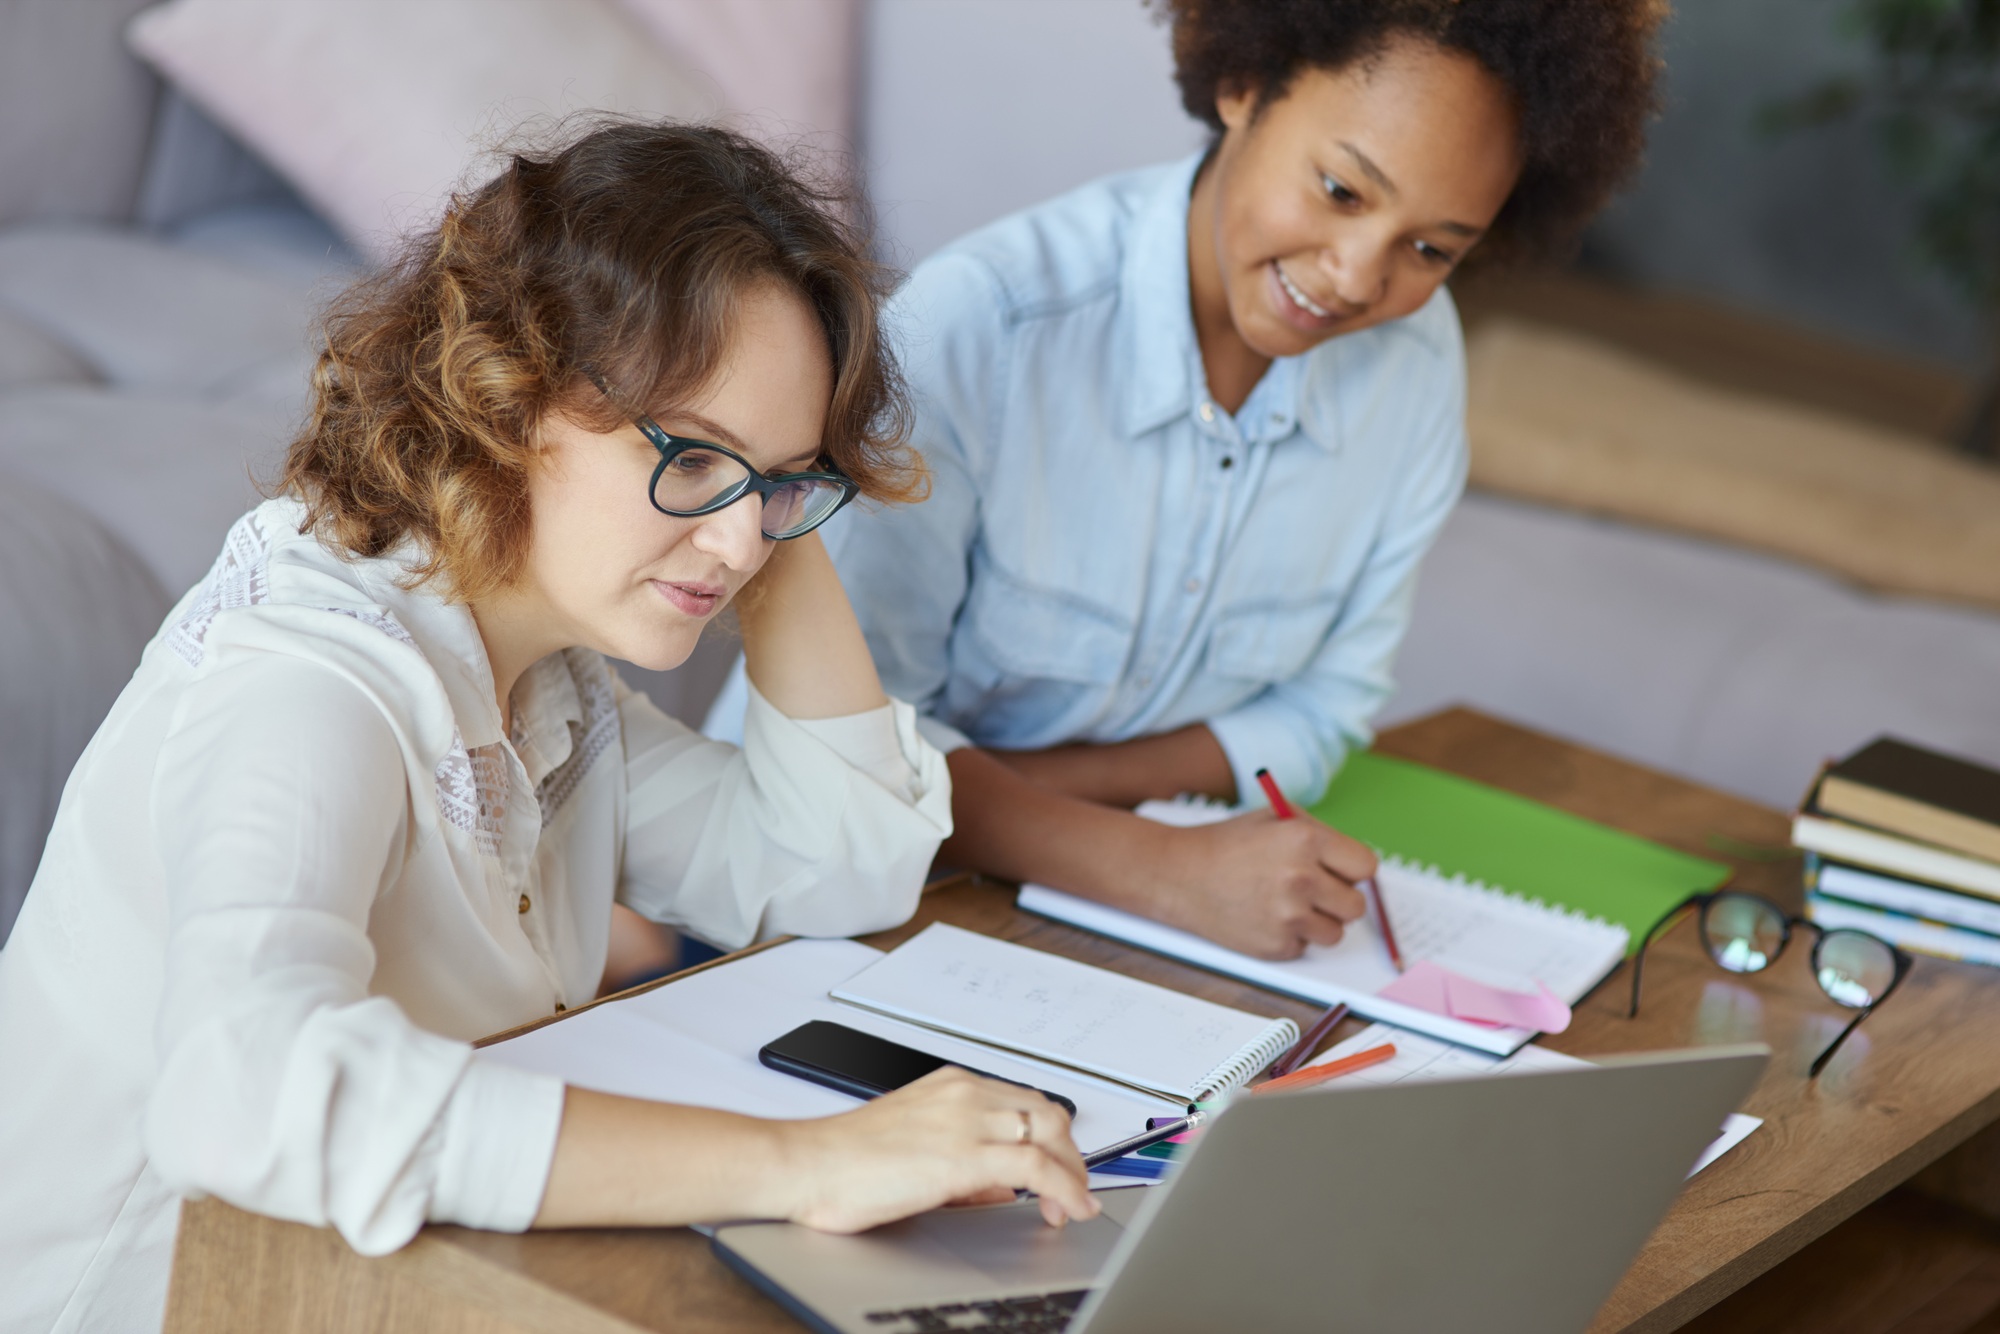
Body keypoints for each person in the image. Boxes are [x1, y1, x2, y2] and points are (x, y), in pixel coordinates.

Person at [0, 122, 1098, 1334]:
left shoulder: (544, 679)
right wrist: (812, 1162)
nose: (740, 542)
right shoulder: (307, 685)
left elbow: (834, 866)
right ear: (509, 396)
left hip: (382, 1283)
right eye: (689, 456)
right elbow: (243, 1089)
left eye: (785, 480)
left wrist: (752, 517)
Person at [708, 0, 1663, 962]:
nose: (1357, 277)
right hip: (803, 920)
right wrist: (1161, 867)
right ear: (1245, 85)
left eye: (1432, 249)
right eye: (1340, 189)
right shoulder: (985, 329)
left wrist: (1057, 801)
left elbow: (1326, 705)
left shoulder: (1413, 373)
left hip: (1057, 905)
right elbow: (844, 750)